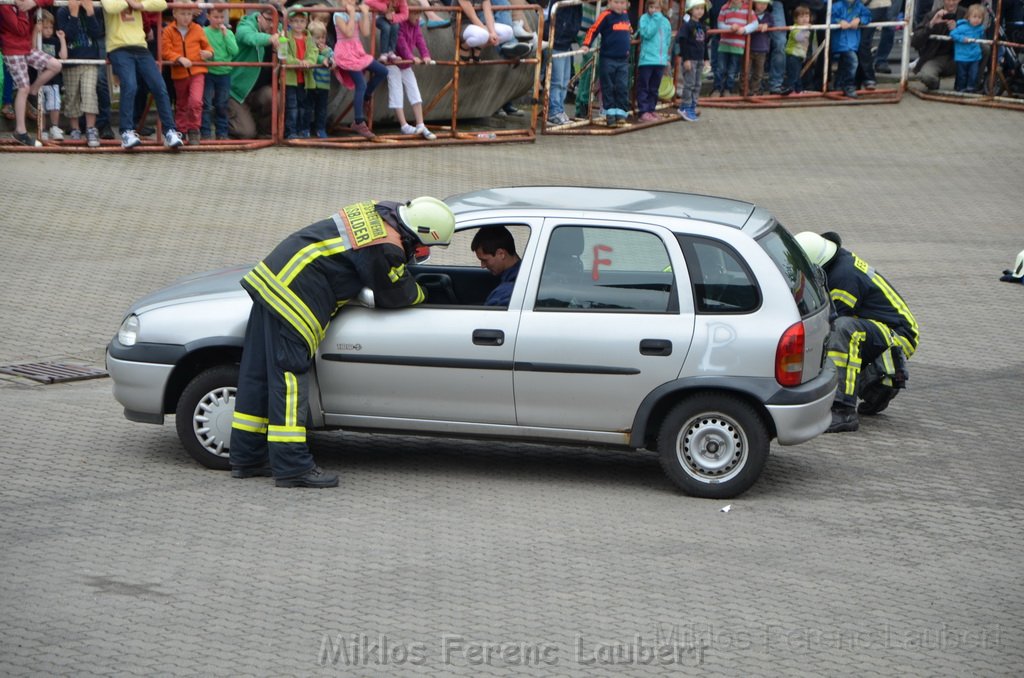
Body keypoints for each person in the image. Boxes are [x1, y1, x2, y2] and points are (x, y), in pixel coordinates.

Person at [229, 197, 455, 488]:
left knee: (256, 375)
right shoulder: (384, 247)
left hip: (274, 279)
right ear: (417, 233)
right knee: (289, 381)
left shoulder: (381, 211)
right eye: (426, 246)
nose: (423, 253)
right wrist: (424, 294)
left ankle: (247, 457)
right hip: (295, 298)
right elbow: (392, 295)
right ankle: (292, 466)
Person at [795, 231, 919, 433]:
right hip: (879, 328)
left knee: (842, 330)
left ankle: (843, 411)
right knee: (842, 332)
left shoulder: (844, 277)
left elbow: (829, 323)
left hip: (900, 334)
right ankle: (876, 388)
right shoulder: (836, 266)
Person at [100, 0, 183, 148]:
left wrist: (141, 5)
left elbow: (161, 4)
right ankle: (126, 132)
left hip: (141, 47)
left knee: (159, 86)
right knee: (130, 85)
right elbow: (111, 7)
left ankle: (170, 131)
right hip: (118, 48)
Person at [0, 0, 63, 147]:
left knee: (55, 65)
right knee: (23, 87)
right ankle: (20, 131)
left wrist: (33, 2)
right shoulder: (4, 5)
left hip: (26, 48)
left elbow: (50, 1)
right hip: (12, 49)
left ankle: (33, 92)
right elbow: (20, 29)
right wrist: (23, 9)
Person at [334, 1, 389, 139]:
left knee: (383, 71)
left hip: (357, 51)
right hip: (346, 53)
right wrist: (352, 14)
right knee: (361, 84)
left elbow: (365, 32)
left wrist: (364, 14)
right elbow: (348, 32)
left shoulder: (357, 13)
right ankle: (358, 121)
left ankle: (366, 97)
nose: (349, 2)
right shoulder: (338, 14)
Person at [161, 0, 213, 146]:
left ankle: (194, 129)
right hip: (179, 73)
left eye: (189, 14)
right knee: (182, 103)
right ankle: (181, 130)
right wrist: (178, 58)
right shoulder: (168, 31)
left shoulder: (197, 29)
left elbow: (208, 48)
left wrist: (209, 53)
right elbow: (165, 51)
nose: (186, 17)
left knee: (196, 101)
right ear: (174, 14)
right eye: (183, 14)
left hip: (197, 71)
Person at [57, 0, 104, 147]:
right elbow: (68, 36)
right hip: (71, 61)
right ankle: (75, 129)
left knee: (89, 92)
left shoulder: (94, 9)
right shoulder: (62, 12)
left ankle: (91, 129)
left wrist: (90, 14)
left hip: (90, 60)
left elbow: (97, 33)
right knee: (72, 96)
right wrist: (74, 14)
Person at [229, 4, 278, 139]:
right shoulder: (245, 25)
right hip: (236, 92)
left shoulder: (280, 30)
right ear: (259, 17)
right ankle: (223, 116)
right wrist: (270, 39)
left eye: (275, 21)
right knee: (245, 134)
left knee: (274, 95)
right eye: (268, 19)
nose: (272, 25)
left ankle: (264, 132)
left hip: (258, 91)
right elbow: (248, 37)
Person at [581, 0, 633, 126]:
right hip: (608, 58)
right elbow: (593, 29)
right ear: (609, 2)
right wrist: (586, 44)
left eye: (622, 3)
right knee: (608, 87)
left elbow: (628, 30)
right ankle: (609, 114)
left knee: (622, 86)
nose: (619, 6)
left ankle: (621, 113)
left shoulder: (625, 15)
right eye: (616, 2)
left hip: (623, 59)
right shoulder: (605, 15)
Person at [387, 10, 437, 140]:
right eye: (416, 15)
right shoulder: (400, 24)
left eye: (419, 15)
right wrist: (411, 57)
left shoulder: (416, 25)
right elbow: (400, 42)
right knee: (396, 91)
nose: (418, 18)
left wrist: (425, 55)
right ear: (408, 14)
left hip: (406, 63)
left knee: (414, 88)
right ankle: (404, 125)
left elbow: (420, 40)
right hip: (393, 61)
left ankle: (421, 124)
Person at [201, 6, 237, 140]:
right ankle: (205, 133)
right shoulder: (203, 32)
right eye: (216, 17)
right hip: (208, 72)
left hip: (224, 73)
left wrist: (226, 35)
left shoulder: (229, 33)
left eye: (222, 17)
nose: (219, 20)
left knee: (222, 104)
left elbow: (234, 51)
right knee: (206, 104)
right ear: (208, 17)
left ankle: (222, 133)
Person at [543, 0, 582, 125]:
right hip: (557, 40)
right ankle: (553, 111)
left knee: (564, 81)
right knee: (557, 81)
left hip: (565, 41)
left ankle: (559, 109)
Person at [911, 0, 964, 90]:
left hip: (961, 56)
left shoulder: (966, 14)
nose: (951, 3)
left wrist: (958, 30)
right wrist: (931, 24)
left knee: (984, 49)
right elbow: (915, 42)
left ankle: (971, 85)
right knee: (927, 76)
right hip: (936, 58)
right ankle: (934, 85)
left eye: (954, 0)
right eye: (948, 0)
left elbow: (977, 36)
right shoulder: (932, 15)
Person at [282, 8, 317, 139]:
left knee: (303, 106)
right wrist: (298, 62)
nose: (298, 24)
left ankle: (302, 130)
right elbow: (284, 56)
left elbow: (314, 52)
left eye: (302, 21)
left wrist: (309, 61)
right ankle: (290, 132)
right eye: (295, 21)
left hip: (305, 79)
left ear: (306, 22)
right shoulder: (285, 37)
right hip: (290, 79)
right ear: (289, 22)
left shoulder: (309, 38)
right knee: (291, 106)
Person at [456, 0, 531, 61]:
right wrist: (488, 32)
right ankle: (464, 47)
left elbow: (488, 12)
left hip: (480, 25)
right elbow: (472, 17)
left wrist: (493, 32)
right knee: (484, 34)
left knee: (508, 32)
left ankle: (479, 46)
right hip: (464, 24)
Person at [636, 0, 672, 121]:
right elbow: (647, 34)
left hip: (660, 60)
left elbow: (667, 41)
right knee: (644, 86)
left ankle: (651, 109)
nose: (653, 10)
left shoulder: (666, 22)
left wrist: (667, 58)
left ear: (662, 8)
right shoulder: (644, 19)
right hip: (647, 60)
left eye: (656, 8)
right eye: (651, 7)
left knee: (654, 88)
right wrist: (656, 19)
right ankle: (643, 111)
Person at [714, 0, 758, 97]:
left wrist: (744, 30)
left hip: (738, 45)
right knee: (720, 68)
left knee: (732, 70)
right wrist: (730, 28)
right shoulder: (724, 8)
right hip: (724, 44)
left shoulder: (748, 9)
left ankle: (728, 89)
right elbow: (720, 24)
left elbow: (755, 24)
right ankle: (717, 89)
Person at [471, 226, 521, 306]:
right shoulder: (522, 276)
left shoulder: (502, 298)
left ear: (501, 254)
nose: (482, 266)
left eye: (485, 260)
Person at [830, 0, 871, 98]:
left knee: (844, 64)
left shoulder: (859, 6)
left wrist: (859, 20)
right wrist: (839, 21)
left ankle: (838, 85)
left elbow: (868, 16)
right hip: (840, 41)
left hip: (853, 42)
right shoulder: (837, 6)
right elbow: (829, 18)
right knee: (853, 62)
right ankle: (848, 86)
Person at [37, 10, 67, 141]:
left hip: (54, 79)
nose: (49, 30)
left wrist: (62, 39)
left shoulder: (55, 41)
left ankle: (54, 127)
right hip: (39, 79)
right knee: (41, 106)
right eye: (45, 28)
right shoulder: (37, 41)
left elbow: (64, 56)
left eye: (51, 27)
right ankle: (42, 128)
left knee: (55, 104)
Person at [676, 0, 707, 121]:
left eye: (701, 8)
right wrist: (686, 59)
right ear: (690, 10)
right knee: (689, 83)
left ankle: (692, 105)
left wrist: (706, 59)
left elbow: (703, 45)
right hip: (691, 59)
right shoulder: (687, 25)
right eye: (697, 8)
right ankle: (686, 107)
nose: (700, 11)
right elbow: (683, 42)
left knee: (697, 84)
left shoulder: (702, 26)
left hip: (699, 59)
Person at [949, 3, 986, 92]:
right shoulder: (962, 27)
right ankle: (960, 88)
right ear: (968, 17)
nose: (977, 20)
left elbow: (981, 37)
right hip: (962, 56)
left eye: (979, 17)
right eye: (974, 17)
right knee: (962, 74)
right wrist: (962, 39)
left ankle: (970, 88)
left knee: (973, 74)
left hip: (975, 56)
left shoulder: (980, 28)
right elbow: (953, 34)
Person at [856, 0, 891, 90]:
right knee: (860, 42)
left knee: (862, 42)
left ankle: (868, 78)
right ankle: (862, 78)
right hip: (864, 5)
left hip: (874, 5)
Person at [306, 19, 333, 138]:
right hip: (310, 84)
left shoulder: (328, 50)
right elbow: (312, 57)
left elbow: (333, 59)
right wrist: (322, 58)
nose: (320, 40)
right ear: (310, 38)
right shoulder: (309, 50)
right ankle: (305, 128)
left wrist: (326, 52)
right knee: (308, 108)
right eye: (317, 38)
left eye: (323, 37)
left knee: (321, 109)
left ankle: (320, 129)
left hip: (323, 85)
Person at [781, 4, 811, 94]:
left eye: (806, 16)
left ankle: (798, 90)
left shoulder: (806, 28)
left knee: (798, 74)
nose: (805, 19)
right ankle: (791, 89)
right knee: (794, 75)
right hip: (792, 55)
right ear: (795, 19)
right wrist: (806, 30)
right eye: (801, 16)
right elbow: (799, 38)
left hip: (800, 55)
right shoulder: (795, 28)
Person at [748, 0, 773, 94]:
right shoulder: (750, 14)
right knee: (746, 71)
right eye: (760, 3)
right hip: (749, 47)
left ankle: (755, 90)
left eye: (765, 4)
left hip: (762, 48)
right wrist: (755, 27)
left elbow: (772, 23)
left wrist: (767, 25)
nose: (762, 6)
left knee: (759, 73)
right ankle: (745, 90)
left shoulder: (768, 16)